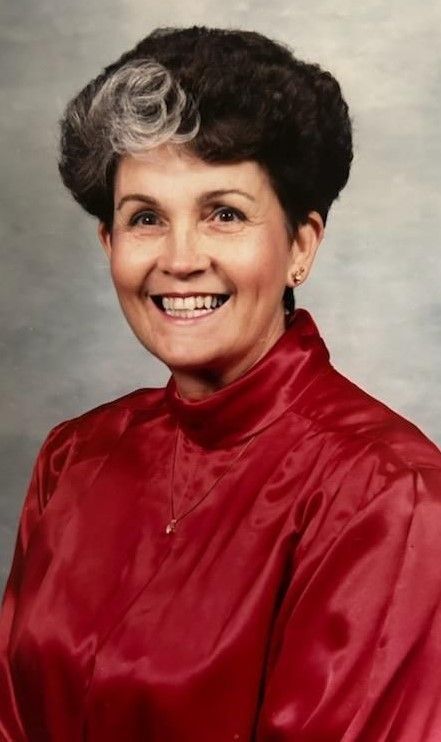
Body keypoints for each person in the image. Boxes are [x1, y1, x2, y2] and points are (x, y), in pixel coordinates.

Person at [1, 25, 440, 742]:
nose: (180, 259)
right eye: (146, 218)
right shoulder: (73, 458)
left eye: (224, 214)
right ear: (110, 243)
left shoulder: (390, 495)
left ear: (301, 245)